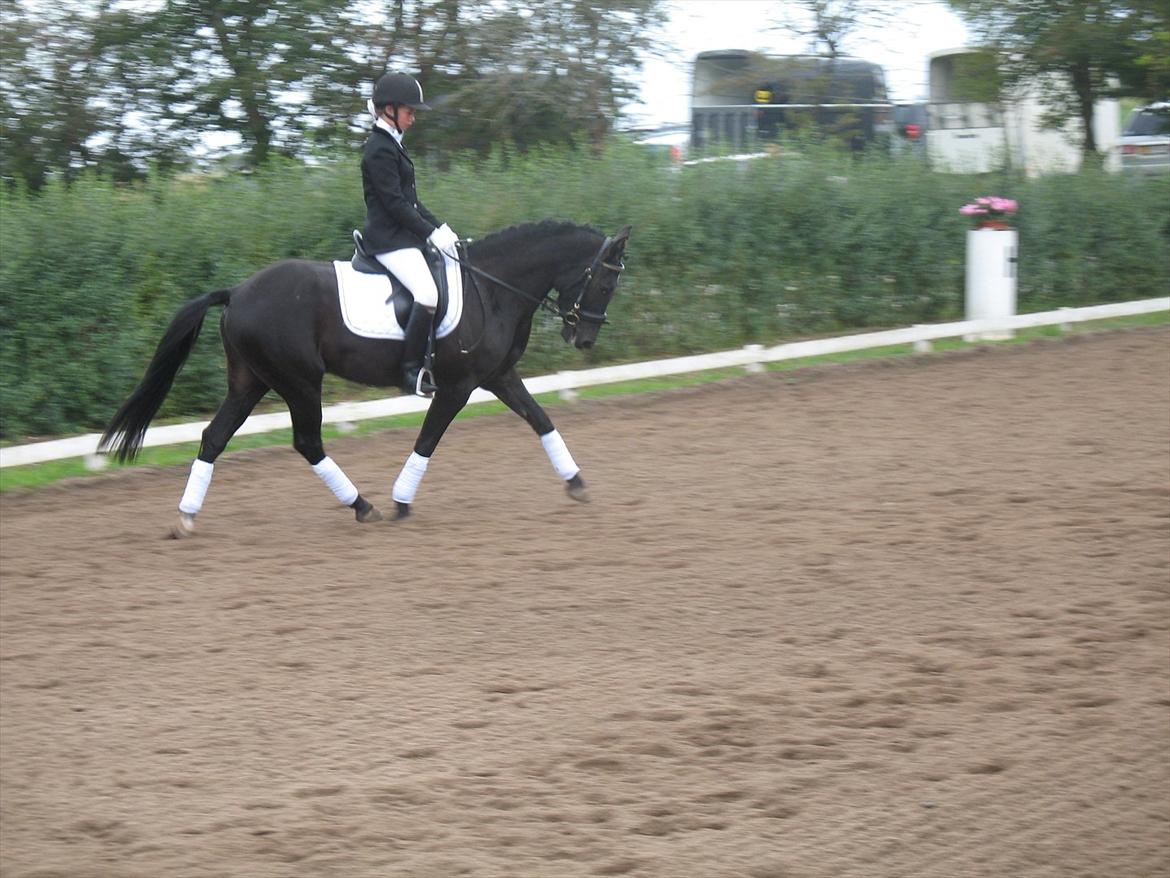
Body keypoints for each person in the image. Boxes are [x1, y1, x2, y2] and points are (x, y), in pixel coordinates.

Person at [361, 72, 459, 397]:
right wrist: (430, 234)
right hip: (388, 240)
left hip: (403, 237)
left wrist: (441, 228)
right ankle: (410, 371)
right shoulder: (379, 148)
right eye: (410, 111)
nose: (413, 118)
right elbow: (395, 205)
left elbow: (413, 202)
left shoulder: (392, 145)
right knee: (427, 294)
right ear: (389, 110)